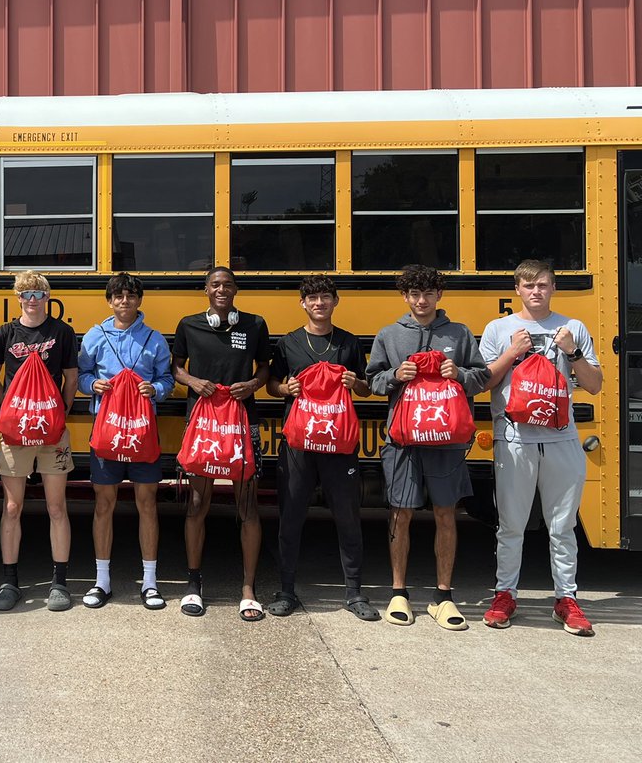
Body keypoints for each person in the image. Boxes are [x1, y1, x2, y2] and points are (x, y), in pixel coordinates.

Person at [479, 259, 602, 636]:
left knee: (562, 526)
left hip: (561, 437)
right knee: (511, 524)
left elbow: (594, 384)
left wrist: (573, 353)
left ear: (553, 289)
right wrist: (512, 353)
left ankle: (566, 599)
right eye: (529, 286)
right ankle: (505, 594)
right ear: (517, 289)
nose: (537, 291)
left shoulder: (573, 328)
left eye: (544, 285)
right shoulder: (499, 329)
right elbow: (484, 382)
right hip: (515, 437)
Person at [366, 265, 488, 631]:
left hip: (446, 440)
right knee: (400, 513)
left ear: (439, 296)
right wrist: (393, 377)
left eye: (428, 293)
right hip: (402, 440)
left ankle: (443, 596)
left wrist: (460, 375)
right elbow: (371, 379)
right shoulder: (389, 334)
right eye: (414, 294)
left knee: (445, 513)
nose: (421, 301)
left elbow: (481, 378)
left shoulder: (459, 333)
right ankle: (398, 592)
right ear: (404, 297)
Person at [267, 275, 377, 621]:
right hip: (299, 443)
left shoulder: (348, 342)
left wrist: (355, 381)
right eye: (312, 298)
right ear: (303, 303)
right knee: (291, 517)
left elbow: (366, 388)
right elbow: (270, 384)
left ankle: (354, 593)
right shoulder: (288, 343)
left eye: (325, 297)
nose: (319, 303)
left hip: (339, 443)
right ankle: (286, 590)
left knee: (347, 516)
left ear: (335, 301)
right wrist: (286, 389)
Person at [172, 266, 269, 621]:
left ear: (236, 289)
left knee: (248, 505)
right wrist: (193, 381)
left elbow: (264, 368)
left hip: (243, 422)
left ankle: (248, 589)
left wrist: (253, 385)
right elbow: (176, 367)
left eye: (228, 284)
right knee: (197, 502)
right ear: (206, 290)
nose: (221, 289)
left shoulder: (255, 324)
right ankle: (193, 584)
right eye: (215, 285)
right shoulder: (189, 324)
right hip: (202, 423)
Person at [78, 272, 174, 610]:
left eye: (131, 295)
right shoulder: (94, 336)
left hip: (142, 431)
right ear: (109, 300)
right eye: (118, 295)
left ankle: (150, 582)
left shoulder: (154, 339)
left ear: (139, 300)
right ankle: (101, 580)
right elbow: (82, 376)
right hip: (107, 431)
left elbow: (167, 379)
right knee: (104, 504)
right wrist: (93, 386)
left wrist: (156, 389)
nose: (124, 301)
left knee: (147, 503)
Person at [0, 271, 78, 613]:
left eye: (39, 294)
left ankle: (59, 582)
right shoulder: (5, 333)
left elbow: (71, 376)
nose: (33, 300)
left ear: (48, 297)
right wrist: (6, 404)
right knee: (12, 507)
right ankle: (10, 581)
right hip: (16, 431)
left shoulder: (62, 332)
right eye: (27, 294)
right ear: (18, 298)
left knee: (57, 507)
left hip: (51, 430)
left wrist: (63, 409)